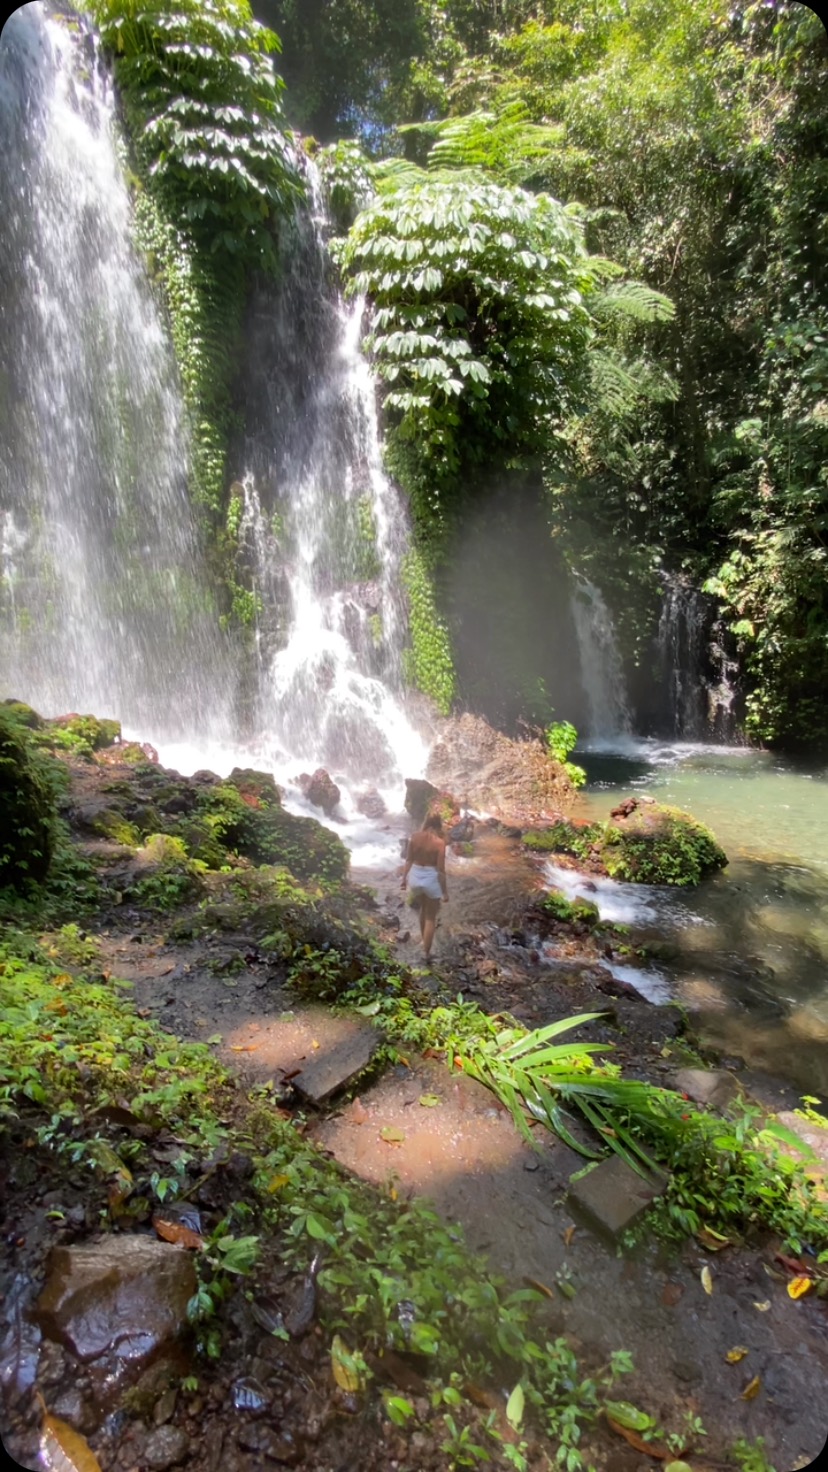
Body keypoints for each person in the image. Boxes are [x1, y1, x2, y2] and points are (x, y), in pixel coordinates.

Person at [400, 812, 449, 961]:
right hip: (430, 878)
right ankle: (426, 954)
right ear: (438, 826)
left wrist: (404, 879)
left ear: (426, 822)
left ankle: (423, 941)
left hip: (415, 876)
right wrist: (445, 892)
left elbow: (408, 860)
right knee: (430, 918)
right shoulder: (440, 843)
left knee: (422, 910)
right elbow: (441, 870)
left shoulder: (414, 837)